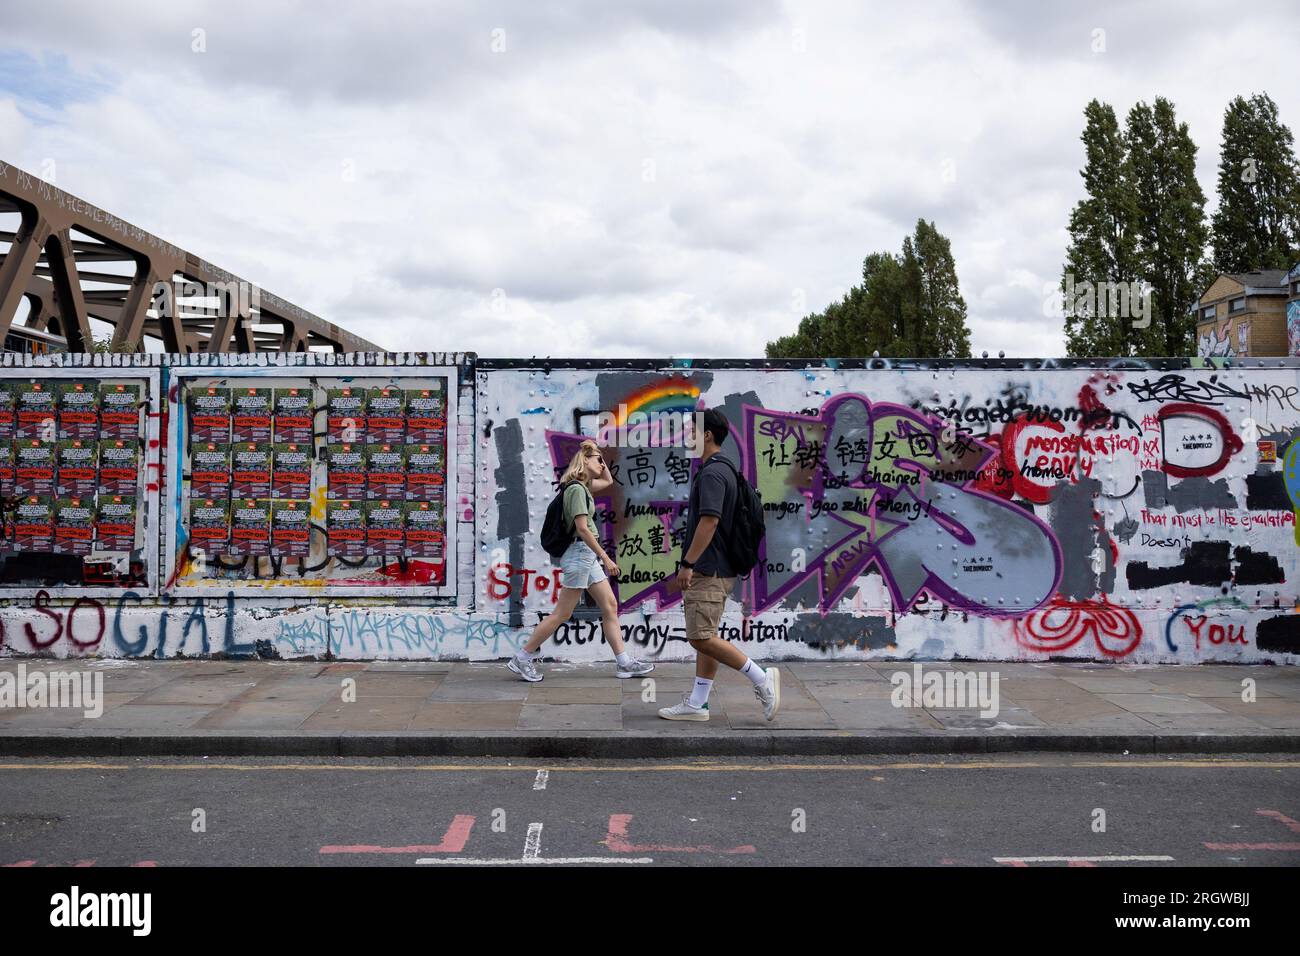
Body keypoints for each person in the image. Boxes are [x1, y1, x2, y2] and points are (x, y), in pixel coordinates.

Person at [659, 408, 780, 722]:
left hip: (709, 568)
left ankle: (761, 678)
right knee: (706, 636)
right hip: (719, 566)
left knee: (700, 637)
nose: (688, 436)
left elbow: (709, 521)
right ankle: (697, 704)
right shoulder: (725, 468)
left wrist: (688, 563)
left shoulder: (713, 472)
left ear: (707, 435)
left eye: (691, 431)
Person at [508, 439, 654, 682]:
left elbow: (607, 480)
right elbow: (583, 529)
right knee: (563, 614)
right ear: (584, 460)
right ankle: (522, 657)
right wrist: (605, 557)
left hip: (586, 556)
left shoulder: (584, 487)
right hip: (579, 554)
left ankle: (624, 663)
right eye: (597, 459)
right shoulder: (576, 490)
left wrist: (597, 455)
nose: (601, 463)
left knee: (609, 606)